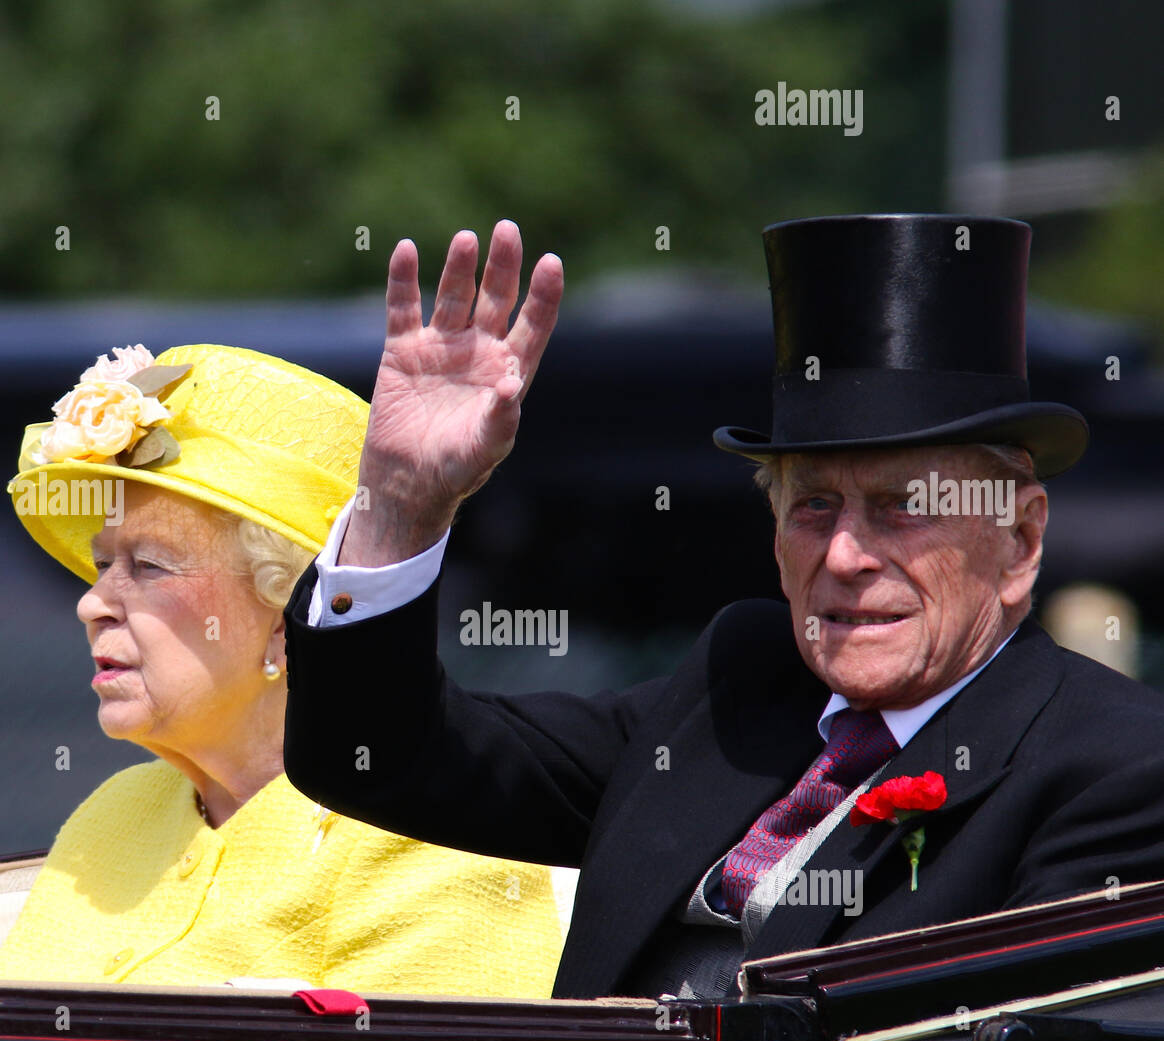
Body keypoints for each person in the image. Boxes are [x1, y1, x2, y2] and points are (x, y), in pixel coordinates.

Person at [282, 215, 1164, 1000]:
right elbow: (381, 759)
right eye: (813, 504)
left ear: (1017, 540)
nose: (847, 555)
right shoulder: (740, 681)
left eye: (905, 506)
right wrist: (400, 504)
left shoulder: (1114, 765)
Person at [0, 342, 569, 994]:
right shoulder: (114, 815)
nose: (93, 603)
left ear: (284, 617)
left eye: (148, 565)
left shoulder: (428, 831)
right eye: (102, 567)